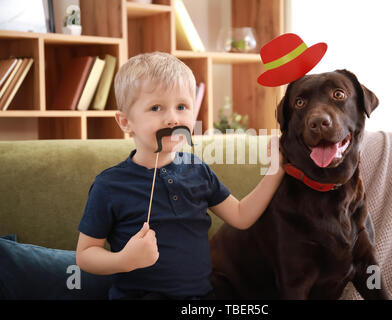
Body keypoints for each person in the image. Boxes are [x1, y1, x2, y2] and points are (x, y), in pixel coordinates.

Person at [75, 52, 285, 300]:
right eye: (156, 107)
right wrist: (124, 260)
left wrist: (275, 171)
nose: (173, 118)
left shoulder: (198, 170)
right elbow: (85, 254)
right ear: (125, 122)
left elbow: (240, 216)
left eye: (182, 107)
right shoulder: (109, 185)